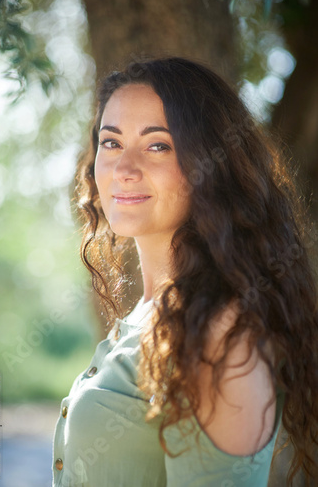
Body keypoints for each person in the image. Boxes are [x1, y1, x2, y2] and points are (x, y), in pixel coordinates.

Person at [52, 56, 318, 486]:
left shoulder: (220, 333)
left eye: (158, 145)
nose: (124, 168)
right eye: (111, 142)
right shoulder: (145, 316)